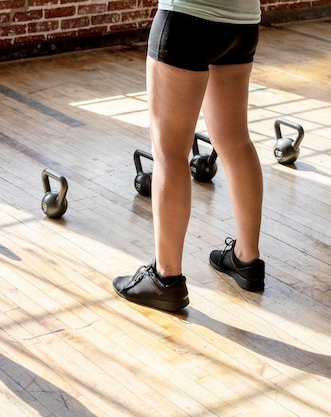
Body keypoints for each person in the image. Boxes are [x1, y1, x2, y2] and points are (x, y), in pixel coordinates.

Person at [113, 0, 265, 311]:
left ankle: (164, 279)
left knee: (170, 151)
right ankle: (246, 259)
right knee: (236, 140)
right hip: (242, 19)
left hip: (186, 18)